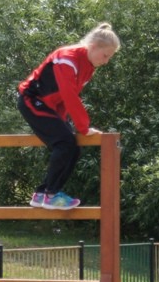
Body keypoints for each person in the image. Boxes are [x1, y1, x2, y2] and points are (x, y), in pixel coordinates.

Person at [17, 23, 121, 210]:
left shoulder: (88, 66)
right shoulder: (68, 58)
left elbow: (65, 101)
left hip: (49, 106)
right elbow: (69, 95)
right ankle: (51, 195)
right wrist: (83, 127)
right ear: (94, 46)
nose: (106, 61)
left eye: (110, 58)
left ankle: (42, 194)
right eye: (105, 56)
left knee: (72, 147)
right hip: (31, 99)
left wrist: (65, 124)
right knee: (65, 143)